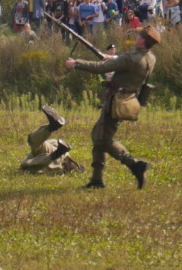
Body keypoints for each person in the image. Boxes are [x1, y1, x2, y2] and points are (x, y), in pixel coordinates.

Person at [65, 26, 161, 189]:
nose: (136, 36)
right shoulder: (150, 58)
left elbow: (100, 68)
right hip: (126, 100)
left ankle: (135, 165)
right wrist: (112, 58)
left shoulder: (130, 58)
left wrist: (76, 64)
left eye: (139, 35)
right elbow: (126, 61)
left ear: (142, 40)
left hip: (114, 102)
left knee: (104, 140)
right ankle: (96, 179)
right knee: (98, 136)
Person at [20, 106, 84, 174]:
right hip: (56, 154)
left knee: (26, 164)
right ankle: (52, 128)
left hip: (55, 155)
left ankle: (51, 127)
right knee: (27, 163)